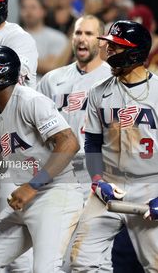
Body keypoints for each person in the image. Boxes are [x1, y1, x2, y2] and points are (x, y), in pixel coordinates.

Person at [0, 45, 83, 272]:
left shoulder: (31, 101)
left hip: (56, 195)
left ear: (1, 74)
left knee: (45, 270)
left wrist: (32, 185)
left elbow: (69, 143)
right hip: (26, 195)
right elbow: (1, 152)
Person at [70, 20, 158, 271]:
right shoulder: (98, 92)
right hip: (110, 183)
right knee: (83, 261)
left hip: (151, 184)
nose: (109, 51)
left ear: (136, 52)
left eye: (117, 47)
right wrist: (97, 180)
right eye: (109, 45)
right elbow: (93, 143)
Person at [37, 15, 111, 195]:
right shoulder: (52, 79)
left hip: (97, 170)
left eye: (89, 33)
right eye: (78, 33)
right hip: (56, 168)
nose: (82, 38)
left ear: (101, 41)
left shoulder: (113, 78)